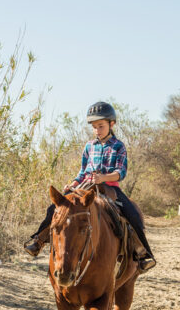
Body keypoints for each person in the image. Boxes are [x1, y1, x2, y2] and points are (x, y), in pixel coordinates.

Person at [24, 101, 156, 273]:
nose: (97, 130)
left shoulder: (118, 146)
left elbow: (120, 172)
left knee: (132, 214)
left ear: (111, 124)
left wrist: (103, 177)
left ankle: (143, 253)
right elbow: (82, 171)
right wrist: (73, 184)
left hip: (110, 187)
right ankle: (38, 241)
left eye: (100, 126)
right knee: (55, 208)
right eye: (94, 127)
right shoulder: (89, 146)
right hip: (86, 186)